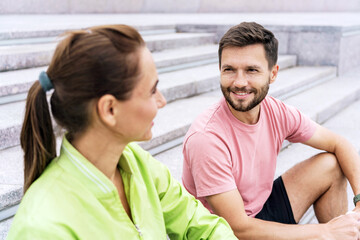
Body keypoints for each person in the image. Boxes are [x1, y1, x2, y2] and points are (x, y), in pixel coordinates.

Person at [7, 24, 237, 239]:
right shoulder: (43, 227)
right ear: (109, 109)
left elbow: (201, 226)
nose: (162, 101)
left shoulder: (137, 162)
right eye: (152, 90)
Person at [182, 22, 360, 239]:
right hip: (225, 233)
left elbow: (339, 143)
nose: (239, 82)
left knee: (330, 164)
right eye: (229, 69)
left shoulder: (276, 111)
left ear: (272, 74)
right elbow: (238, 228)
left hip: (259, 212)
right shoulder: (206, 138)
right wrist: (325, 231)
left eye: (251, 70)